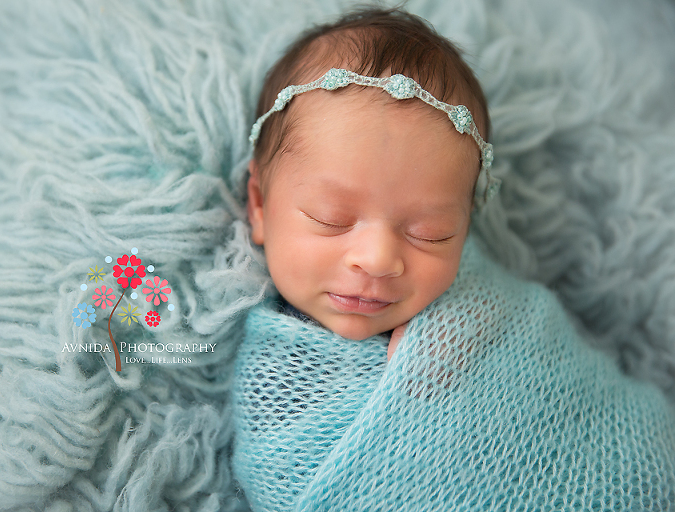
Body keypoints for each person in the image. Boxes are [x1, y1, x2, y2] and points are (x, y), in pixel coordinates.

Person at [233, 7, 675, 512]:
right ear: (261, 204)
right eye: (332, 219)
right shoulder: (272, 377)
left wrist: (467, 347)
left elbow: (556, 386)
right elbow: (275, 475)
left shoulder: (478, 301)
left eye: (431, 233)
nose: (379, 260)